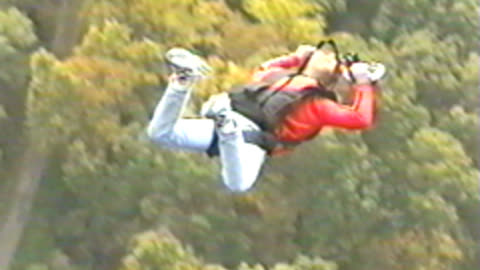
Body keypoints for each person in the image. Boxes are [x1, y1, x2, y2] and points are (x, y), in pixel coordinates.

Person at [146, 42, 386, 192]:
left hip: (230, 111)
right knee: (237, 184)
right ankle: (228, 130)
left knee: (161, 133)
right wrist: (364, 84)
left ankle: (183, 81)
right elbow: (361, 118)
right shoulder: (317, 105)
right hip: (248, 137)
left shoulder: (277, 76)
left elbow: (263, 67)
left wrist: (294, 58)